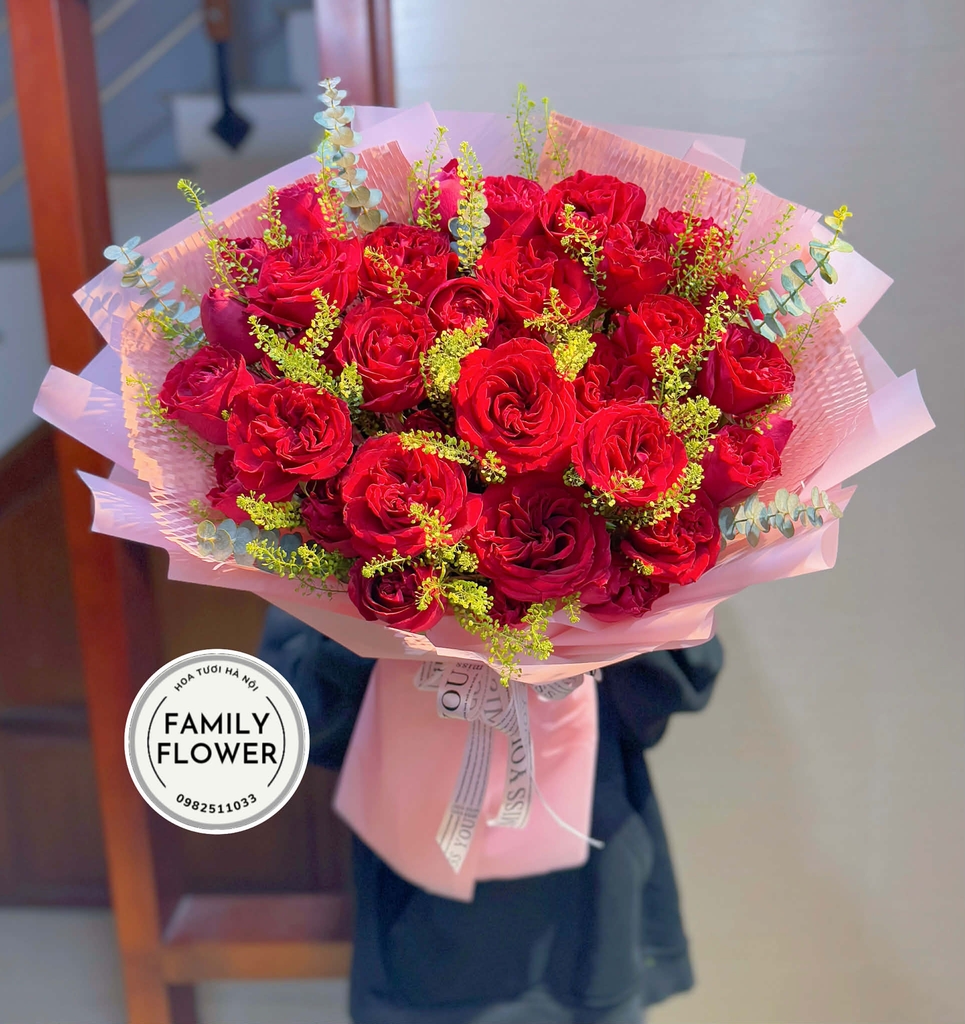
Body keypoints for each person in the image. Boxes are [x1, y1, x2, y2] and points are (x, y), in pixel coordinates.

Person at [258, 607, 723, 1024]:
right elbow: (298, 712)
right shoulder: (333, 552)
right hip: (422, 915)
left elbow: (679, 682)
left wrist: (603, 601)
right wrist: (381, 608)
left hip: (591, 896)